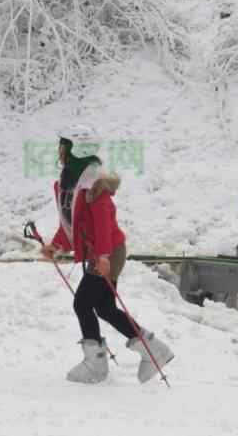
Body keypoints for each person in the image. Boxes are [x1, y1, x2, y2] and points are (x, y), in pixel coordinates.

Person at [41, 124, 174, 384]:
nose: (59, 151)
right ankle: (154, 351)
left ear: (74, 150)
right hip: (102, 253)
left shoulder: (94, 185)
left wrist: (102, 257)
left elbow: (103, 223)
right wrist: (55, 246)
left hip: (108, 252)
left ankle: (96, 365)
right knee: (103, 307)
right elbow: (71, 224)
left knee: (82, 303)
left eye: (62, 146)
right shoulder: (70, 181)